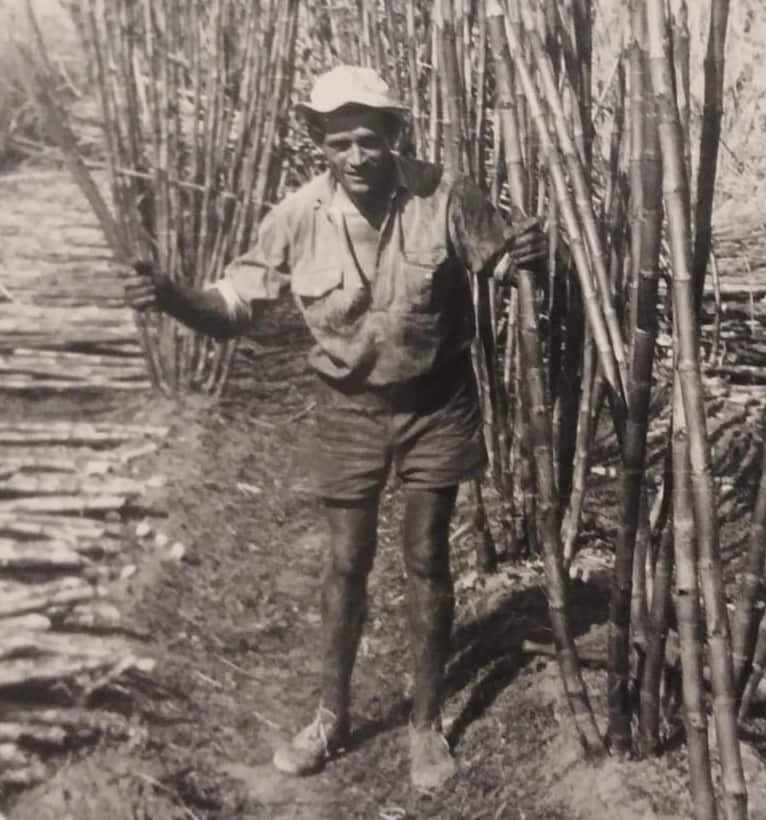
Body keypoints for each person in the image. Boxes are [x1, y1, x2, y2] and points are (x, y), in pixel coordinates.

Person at [124, 65, 549, 789]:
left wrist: (537, 257)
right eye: (340, 142)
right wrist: (172, 298)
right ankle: (332, 714)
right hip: (347, 408)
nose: (357, 157)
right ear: (319, 143)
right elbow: (232, 308)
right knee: (346, 562)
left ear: (395, 135)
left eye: (370, 139)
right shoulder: (294, 217)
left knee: (426, 556)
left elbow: (509, 262)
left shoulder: (444, 194)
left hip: (436, 401)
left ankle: (425, 724)